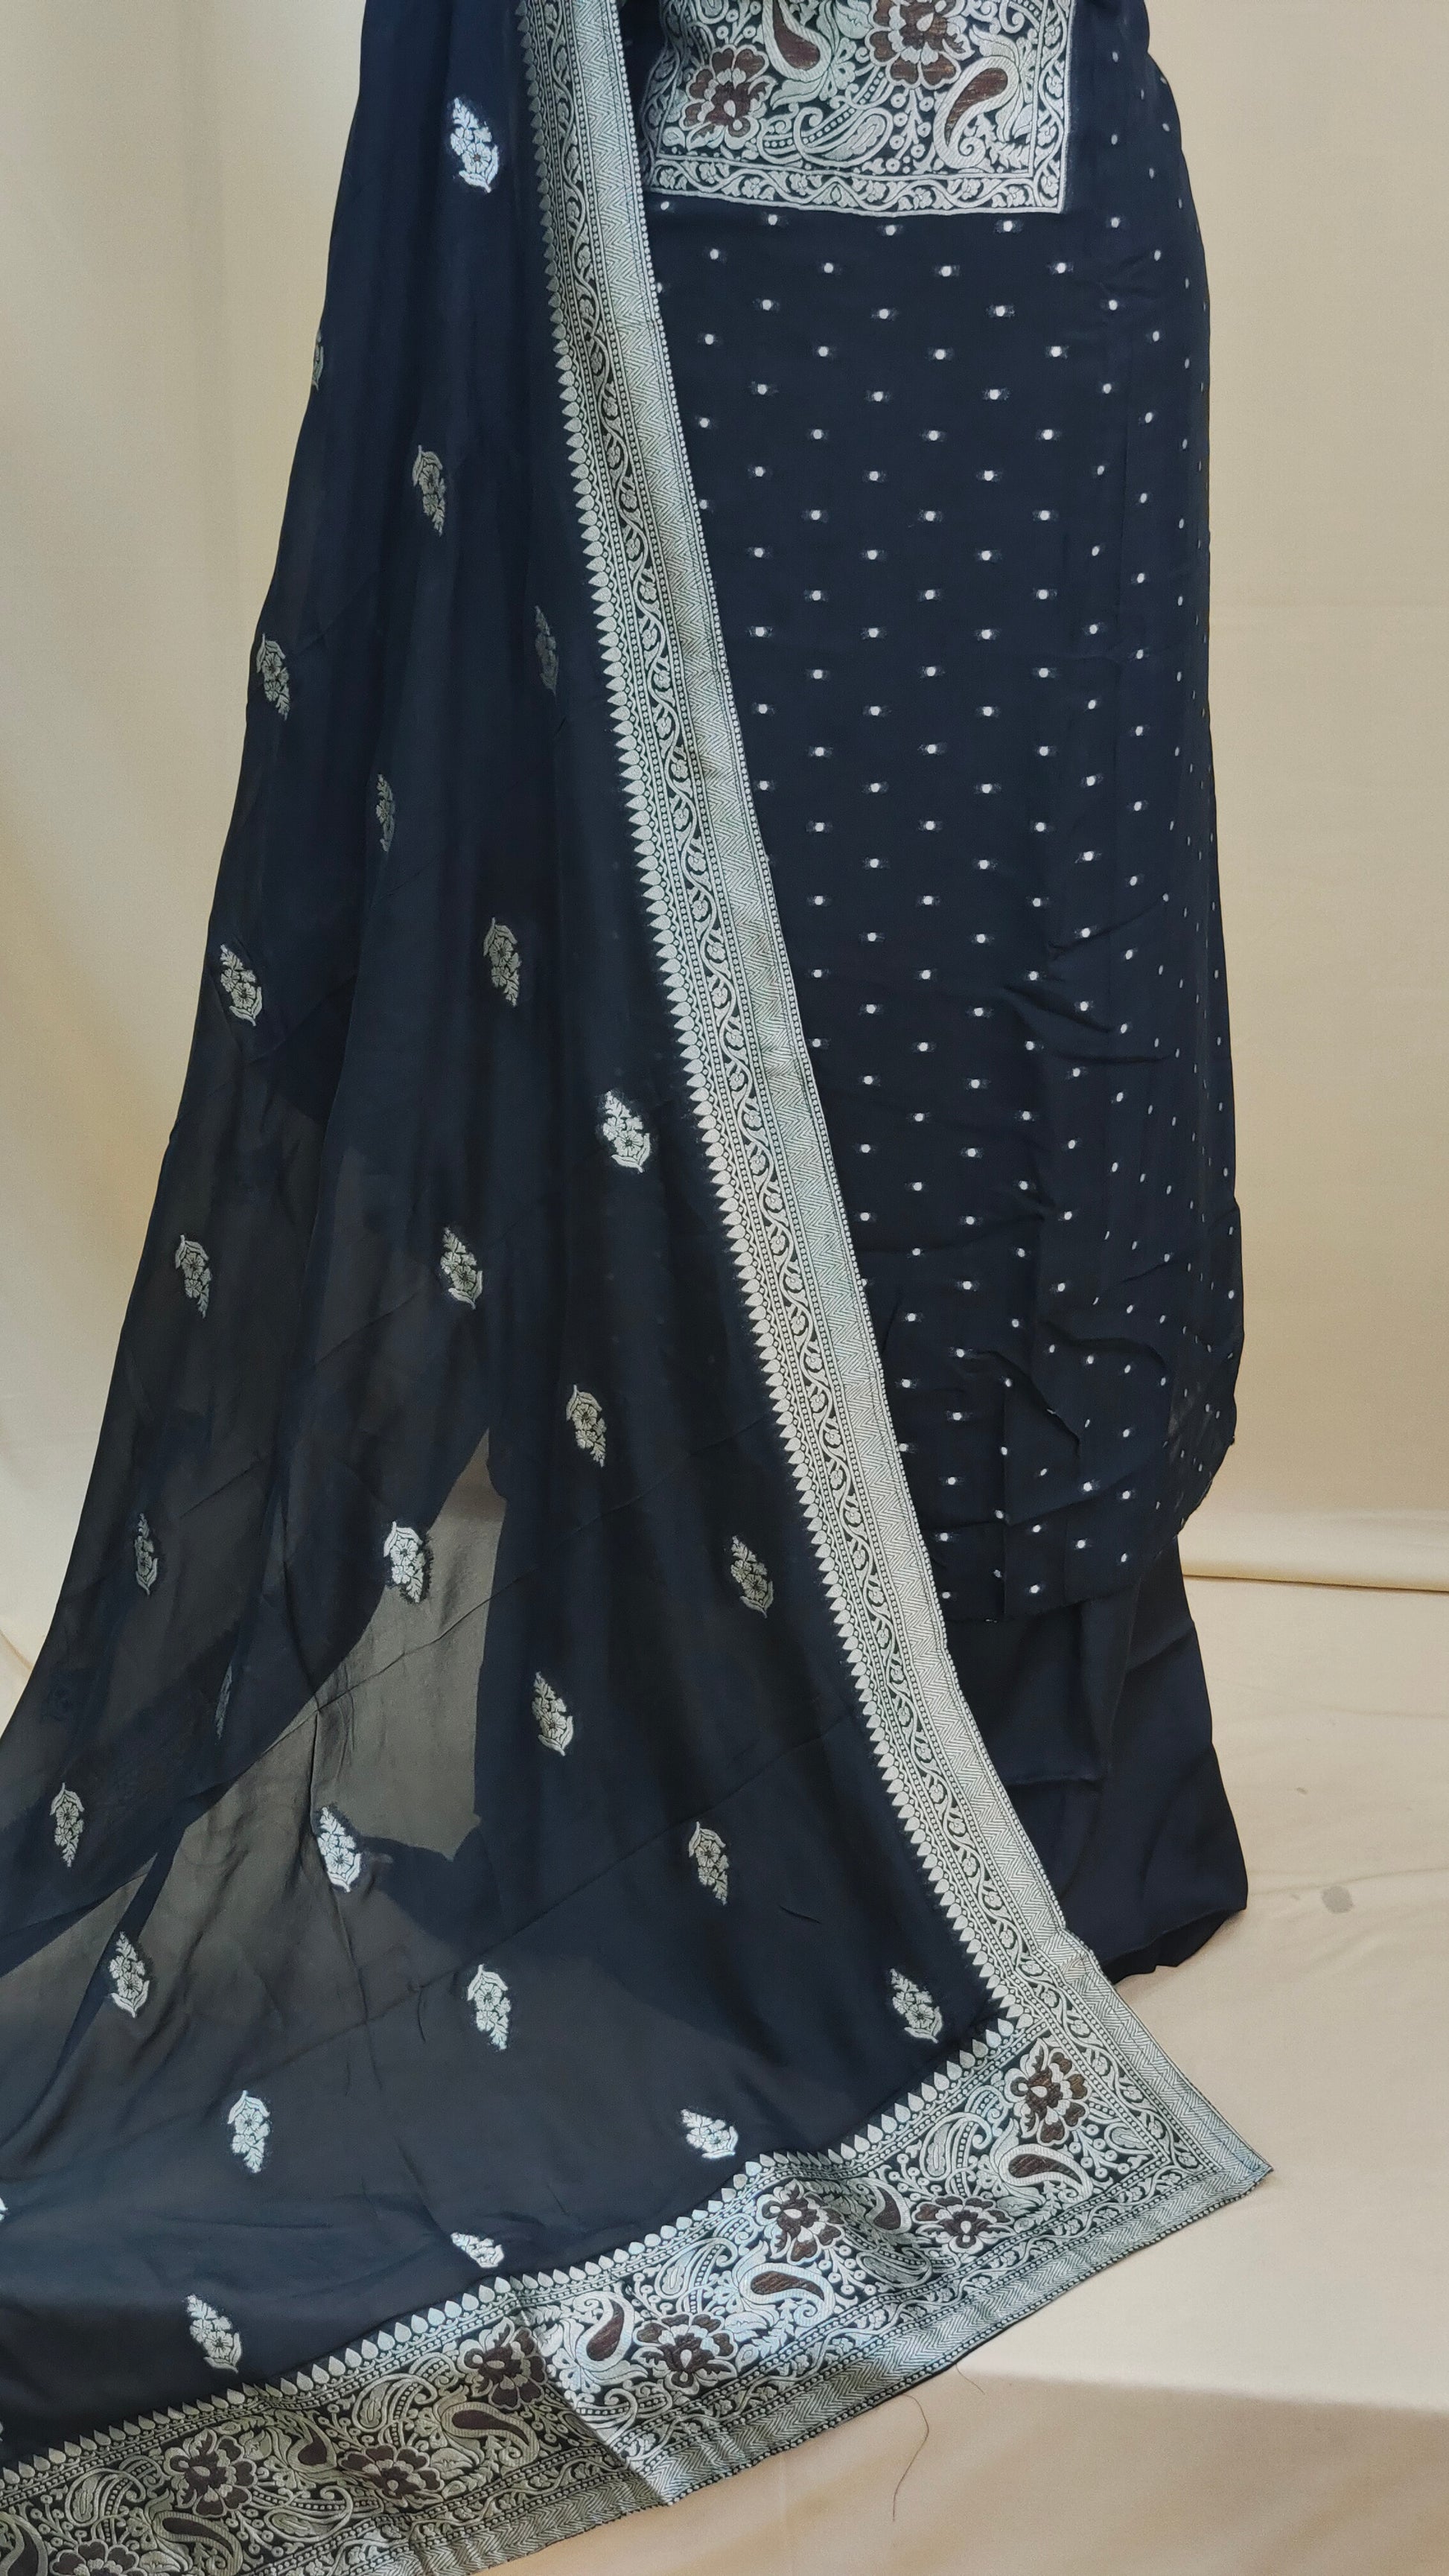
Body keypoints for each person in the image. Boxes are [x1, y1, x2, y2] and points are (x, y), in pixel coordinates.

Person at [0, 2, 1261, 2562]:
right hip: (684, 277)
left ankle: (1047, 1776)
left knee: (1035, 975)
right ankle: (682, 1762)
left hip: (1041, 244)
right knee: (694, 991)